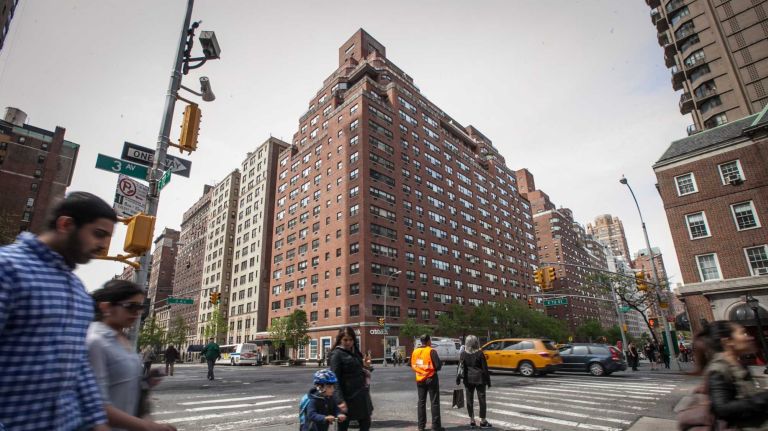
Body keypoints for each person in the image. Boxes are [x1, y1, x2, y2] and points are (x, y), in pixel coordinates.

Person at [0, 192, 116, 431]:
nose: (104, 246)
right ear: (65, 224)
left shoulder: (78, 290)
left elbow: (79, 367)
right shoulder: (8, 268)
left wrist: (97, 422)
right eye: (99, 234)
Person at [87, 280, 176, 431]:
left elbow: (123, 385)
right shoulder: (95, 341)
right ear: (106, 307)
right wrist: (148, 427)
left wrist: (145, 382)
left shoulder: (122, 338)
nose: (137, 313)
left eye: (140, 307)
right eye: (130, 306)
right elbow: (96, 407)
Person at [692, 320, 768, 429]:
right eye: (742, 333)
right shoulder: (719, 369)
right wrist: (762, 399)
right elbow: (722, 408)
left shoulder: (737, 364)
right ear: (727, 341)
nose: (749, 337)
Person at [329, 327, 373, 431]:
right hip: (347, 397)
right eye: (345, 340)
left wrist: (366, 366)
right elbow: (334, 379)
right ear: (340, 339)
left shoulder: (356, 352)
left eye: (351, 339)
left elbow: (360, 371)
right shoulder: (336, 355)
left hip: (361, 396)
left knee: (366, 423)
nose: (348, 342)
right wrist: (340, 400)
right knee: (343, 427)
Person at [456, 335, 491, 428]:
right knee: (482, 400)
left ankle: (472, 420)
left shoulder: (463, 354)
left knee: (469, 400)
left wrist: (458, 379)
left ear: (466, 343)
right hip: (480, 379)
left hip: (467, 379)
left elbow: (460, 367)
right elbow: (485, 369)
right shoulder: (480, 353)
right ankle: (483, 421)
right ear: (476, 343)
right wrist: (488, 381)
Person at [411, 334, 444, 431]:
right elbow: (438, 366)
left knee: (421, 402)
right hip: (431, 378)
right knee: (434, 402)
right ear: (428, 341)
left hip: (419, 379)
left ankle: (421, 427)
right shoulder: (431, 351)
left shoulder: (415, 351)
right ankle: (436, 426)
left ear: (421, 341)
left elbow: (411, 364)